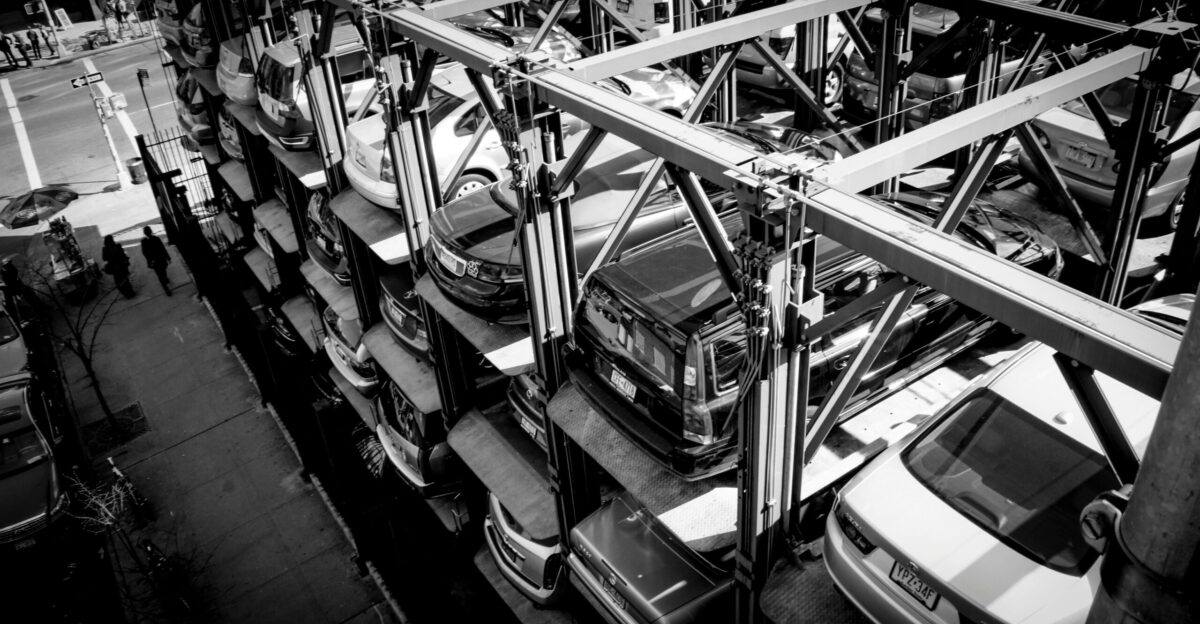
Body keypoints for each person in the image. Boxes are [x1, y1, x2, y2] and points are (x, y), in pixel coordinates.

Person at [140, 226, 172, 296]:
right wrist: (168, 257)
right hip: (160, 258)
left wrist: (149, 259)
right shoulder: (156, 238)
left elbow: (144, 252)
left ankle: (165, 286)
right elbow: (163, 248)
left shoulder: (144, 242)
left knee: (159, 274)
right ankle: (165, 282)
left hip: (154, 261)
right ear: (151, 231)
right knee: (163, 271)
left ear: (144, 233)